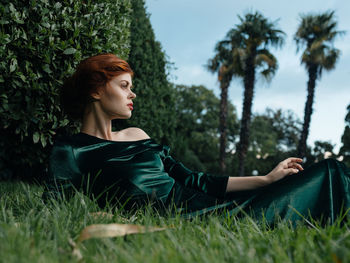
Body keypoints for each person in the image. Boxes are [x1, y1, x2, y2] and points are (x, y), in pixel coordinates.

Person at [44, 53, 350, 225]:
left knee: (331, 172)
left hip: (215, 205)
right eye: (124, 85)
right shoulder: (72, 150)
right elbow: (53, 208)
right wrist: (104, 216)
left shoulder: (138, 135)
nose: (132, 94)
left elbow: (196, 180)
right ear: (96, 90)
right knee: (330, 174)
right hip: (189, 221)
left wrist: (267, 179)